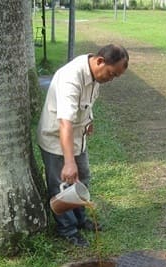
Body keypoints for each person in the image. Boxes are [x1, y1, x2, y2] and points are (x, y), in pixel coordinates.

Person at [37, 44, 129, 247]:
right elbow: (65, 124)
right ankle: (68, 231)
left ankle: (79, 220)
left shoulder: (96, 74)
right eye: (112, 74)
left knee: (83, 177)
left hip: (78, 137)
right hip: (57, 139)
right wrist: (69, 162)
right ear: (100, 61)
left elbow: (86, 103)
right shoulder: (72, 77)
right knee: (60, 186)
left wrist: (89, 120)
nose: (110, 79)